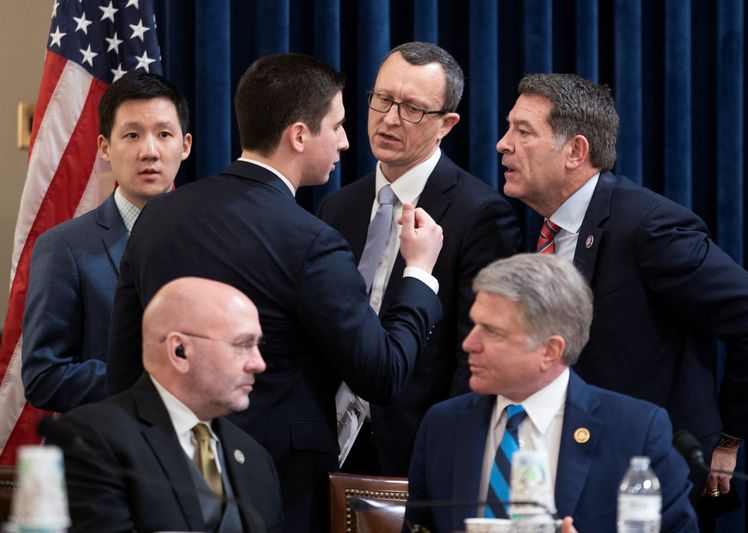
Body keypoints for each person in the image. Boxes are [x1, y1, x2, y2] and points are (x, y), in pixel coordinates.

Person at [106, 53, 444, 532]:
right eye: (337, 125)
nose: (346, 142)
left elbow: (124, 363)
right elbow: (383, 372)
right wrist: (419, 275)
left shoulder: (157, 217)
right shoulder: (310, 240)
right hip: (277, 491)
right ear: (300, 135)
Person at [496, 73, 748, 510]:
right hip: (569, 468)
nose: (503, 143)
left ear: (575, 151)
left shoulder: (648, 226)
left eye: (523, 132)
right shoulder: (545, 232)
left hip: (650, 474)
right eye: (508, 128)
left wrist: (728, 439)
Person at [318, 41, 520, 476]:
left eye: (412, 109)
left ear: (446, 124)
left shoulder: (479, 214)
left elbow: (476, 353)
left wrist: (448, 453)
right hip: (327, 447)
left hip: (417, 449)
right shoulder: (338, 207)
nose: (389, 118)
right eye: (383, 99)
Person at [404, 254, 698, 533]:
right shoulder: (443, 426)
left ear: (550, 350)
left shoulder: (635, 433)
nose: (469, 343)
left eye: (492, 332)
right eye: (474, 325)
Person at [51, 277, 282, 532]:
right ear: (180, 351)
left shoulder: (255, 457)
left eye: (258, 345)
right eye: (242, 344)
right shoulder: (90, 440)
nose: (258, 363)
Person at [21, 72, 192, 411]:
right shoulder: (63, 248)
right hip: (108, 454)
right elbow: (43, 376)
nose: (150, 151)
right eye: (132, 135)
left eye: (164, 134)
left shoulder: (214, 239)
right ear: (104, 147)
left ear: (185, 145)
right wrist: (151, 380)